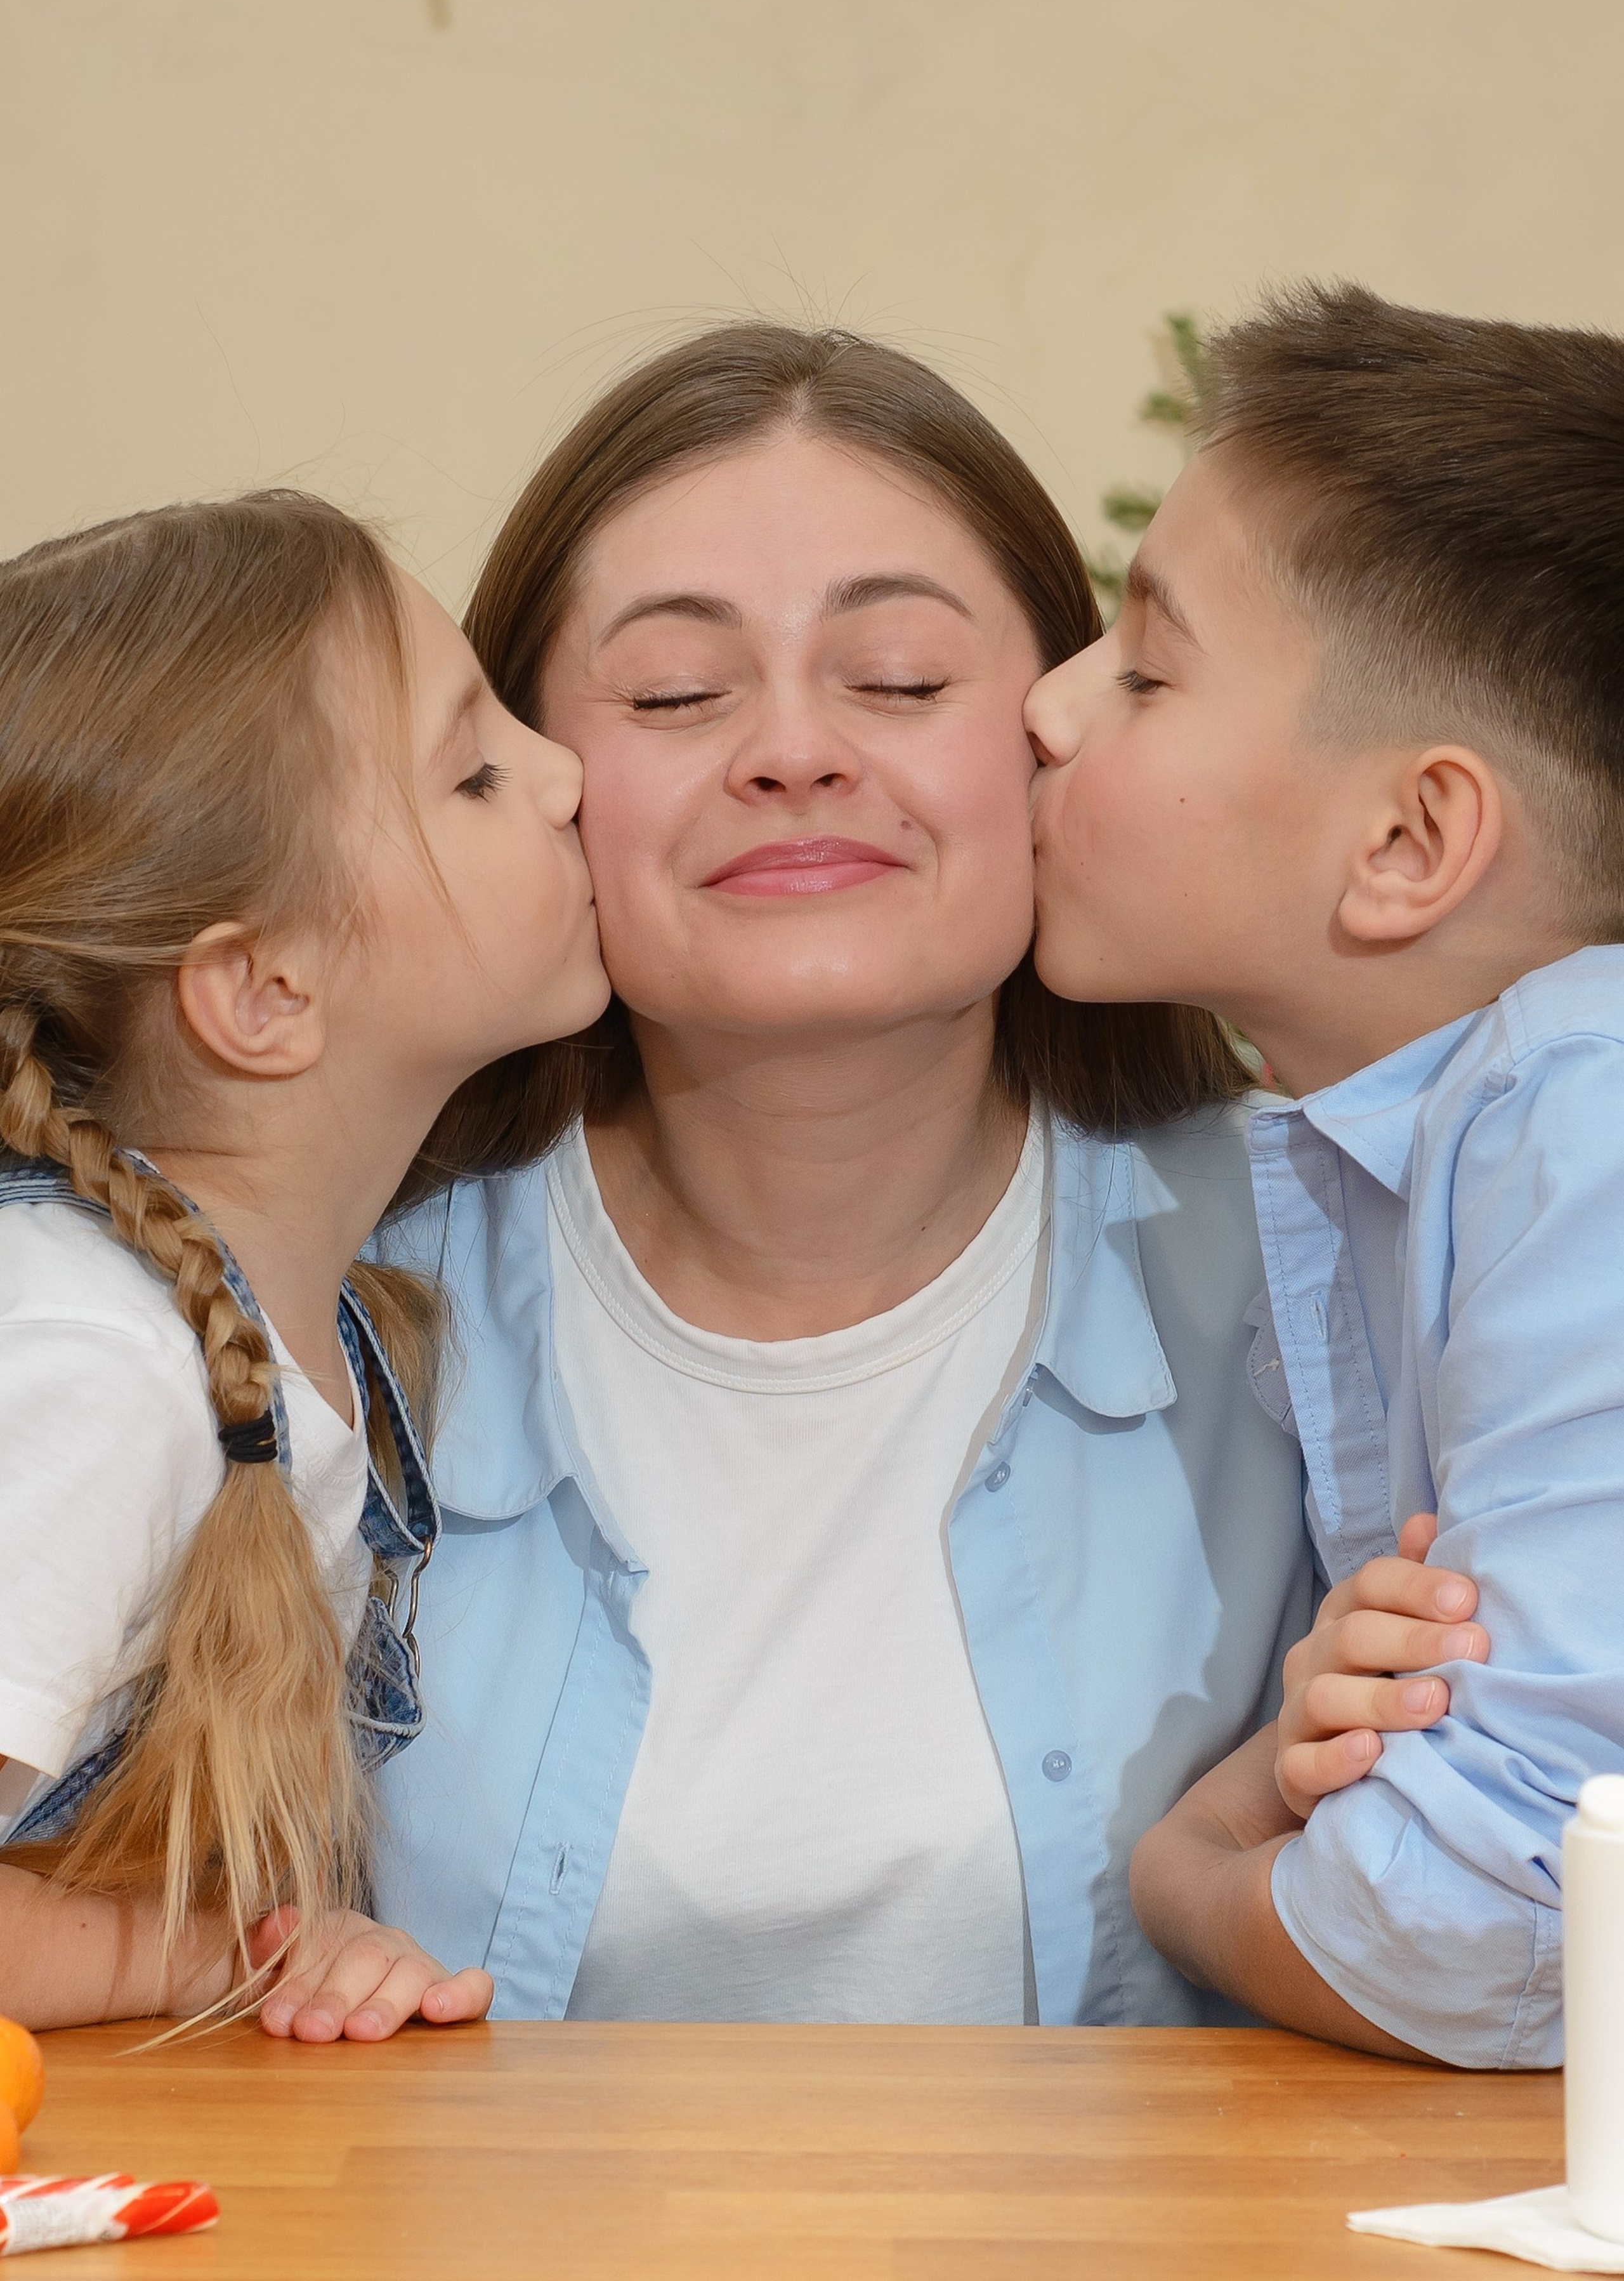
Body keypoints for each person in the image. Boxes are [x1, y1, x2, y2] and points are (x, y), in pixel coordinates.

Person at [374, 322, 1448, 2028]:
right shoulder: (332, 1324)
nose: (794, 752)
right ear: (527, 780)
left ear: (1067, 741)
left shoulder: (1358, 1269)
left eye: (897, 679)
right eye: (674, 693)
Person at [1026, 281, 1624, 2069]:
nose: (1048, 711)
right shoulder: (1449, 1139)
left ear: (1409, 842)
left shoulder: (1579, 1110)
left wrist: (1193, 1867)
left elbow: (1505, 1923)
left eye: (1144, 668)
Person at [0, 490, 608, 2037]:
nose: (563, 773)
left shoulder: (307, 1323)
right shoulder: (94, 1373)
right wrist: (242, 1951)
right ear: (263, 990)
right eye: (473, 772)